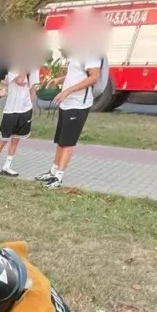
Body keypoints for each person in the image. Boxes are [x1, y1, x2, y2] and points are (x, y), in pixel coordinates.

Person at [35, 14, 106, 189]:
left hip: (78, 104)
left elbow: (93, 77)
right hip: (67, 102)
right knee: (60, 139)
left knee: (68, 142)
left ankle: (59, 177)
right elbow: (77, 74)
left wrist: (68, 90)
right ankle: (52, 171)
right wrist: (60, 81)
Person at [0, 66, 40, 178]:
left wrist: (29, 104)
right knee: (3, 139)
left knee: (16, 139)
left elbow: (33, 88)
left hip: (24, 109)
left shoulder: (34, 70)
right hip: (11, 110)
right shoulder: (15, 68)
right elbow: (20, 81)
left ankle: (7, 166)